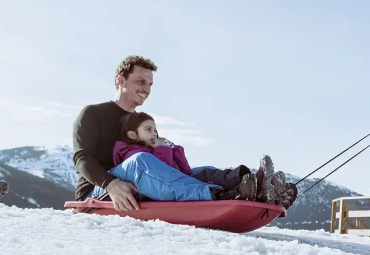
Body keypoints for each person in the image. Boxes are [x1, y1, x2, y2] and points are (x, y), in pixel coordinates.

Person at [73, 55, 297, 212]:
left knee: (196, 172)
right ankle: (221, 196)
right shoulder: (93, 114)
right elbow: (81, 158)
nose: (147, 89)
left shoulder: (140, 123)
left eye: (150, 83)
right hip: (101, 192)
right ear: (120, 80)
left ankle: (252, 185)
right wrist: (111, 184)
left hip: (142, 184)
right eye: (141, 81)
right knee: (141, 161)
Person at [113, 111, 262, 202]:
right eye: (148, 129)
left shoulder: (155, 148)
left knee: (205, 171)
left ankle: (250, 180)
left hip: (175, 180)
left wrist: (174, 148)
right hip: (159, 187)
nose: (154, 133)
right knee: (182, 180)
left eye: (155, 129)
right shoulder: (131, 153)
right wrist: (161, 149)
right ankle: (223, 194)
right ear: (133, 134)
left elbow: (185, 170)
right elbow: (162, 176)